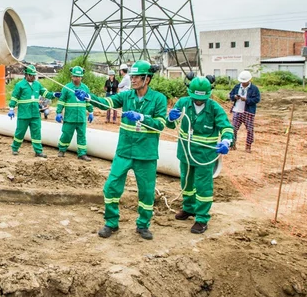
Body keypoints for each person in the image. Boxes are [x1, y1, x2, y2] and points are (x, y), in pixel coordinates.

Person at [75, 60, 167, 240]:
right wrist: (88, 97)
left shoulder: (158, 99)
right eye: (131, 77)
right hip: (124, 151)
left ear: (147, 79)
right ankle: (111, 222)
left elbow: (161, 124)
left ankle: (143, 225)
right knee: (111, 187)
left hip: (146, 154)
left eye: (136, 77)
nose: (132, 80)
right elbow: (106, 103)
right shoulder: (126, 96)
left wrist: (142, 117)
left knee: (147, 192)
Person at [166, 76, 234, 234]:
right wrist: (170, 118)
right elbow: (170, 124)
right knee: (186, 183)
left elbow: (226, 127)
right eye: (195, 98)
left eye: (201, 98)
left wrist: (226, 141)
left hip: (205, 155)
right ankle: (189, 208)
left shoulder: (214, 108)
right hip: (185, 152)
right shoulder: (183, 103)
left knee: (203, 187)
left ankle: (202, 218)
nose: (198, 101)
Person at [8, 65, 57, 158]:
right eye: (31, 75)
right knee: (20, 132)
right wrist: (11, 108)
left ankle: (38, 151)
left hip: (35, 114)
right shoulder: (20, 85)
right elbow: (14, 97)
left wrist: (54, 94)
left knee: (36, 133)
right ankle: (15, 148)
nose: (33, 77)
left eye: (34, 75)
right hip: (24, 114)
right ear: (26, 75)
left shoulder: (37, 84)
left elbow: (45, 93)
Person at [54, 66, 94, 161]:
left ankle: (82, 154)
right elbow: (61, 101)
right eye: (75, 76)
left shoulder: (85, 88)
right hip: (70, 117)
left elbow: (88, 101)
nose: (77, 78)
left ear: (82, 77)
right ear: (72, 76)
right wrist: (58, 112)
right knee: (66, 134)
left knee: (82, 136)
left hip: (81, 117)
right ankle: (62, 150)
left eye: (79, 76)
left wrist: (91, 111)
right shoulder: (67, 88)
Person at [228, 70, 260, 152]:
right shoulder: (237, 87)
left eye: (244, 81)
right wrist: (234, 97)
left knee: (249, 129)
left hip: (248, 112)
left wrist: (247, 100)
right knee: (233, 129)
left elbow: (257, 99)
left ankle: (248, 146)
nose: (243, 83)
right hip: (237, 111)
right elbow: (230, 95)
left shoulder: (254, 89)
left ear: (249, 80)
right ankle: (233, 144)